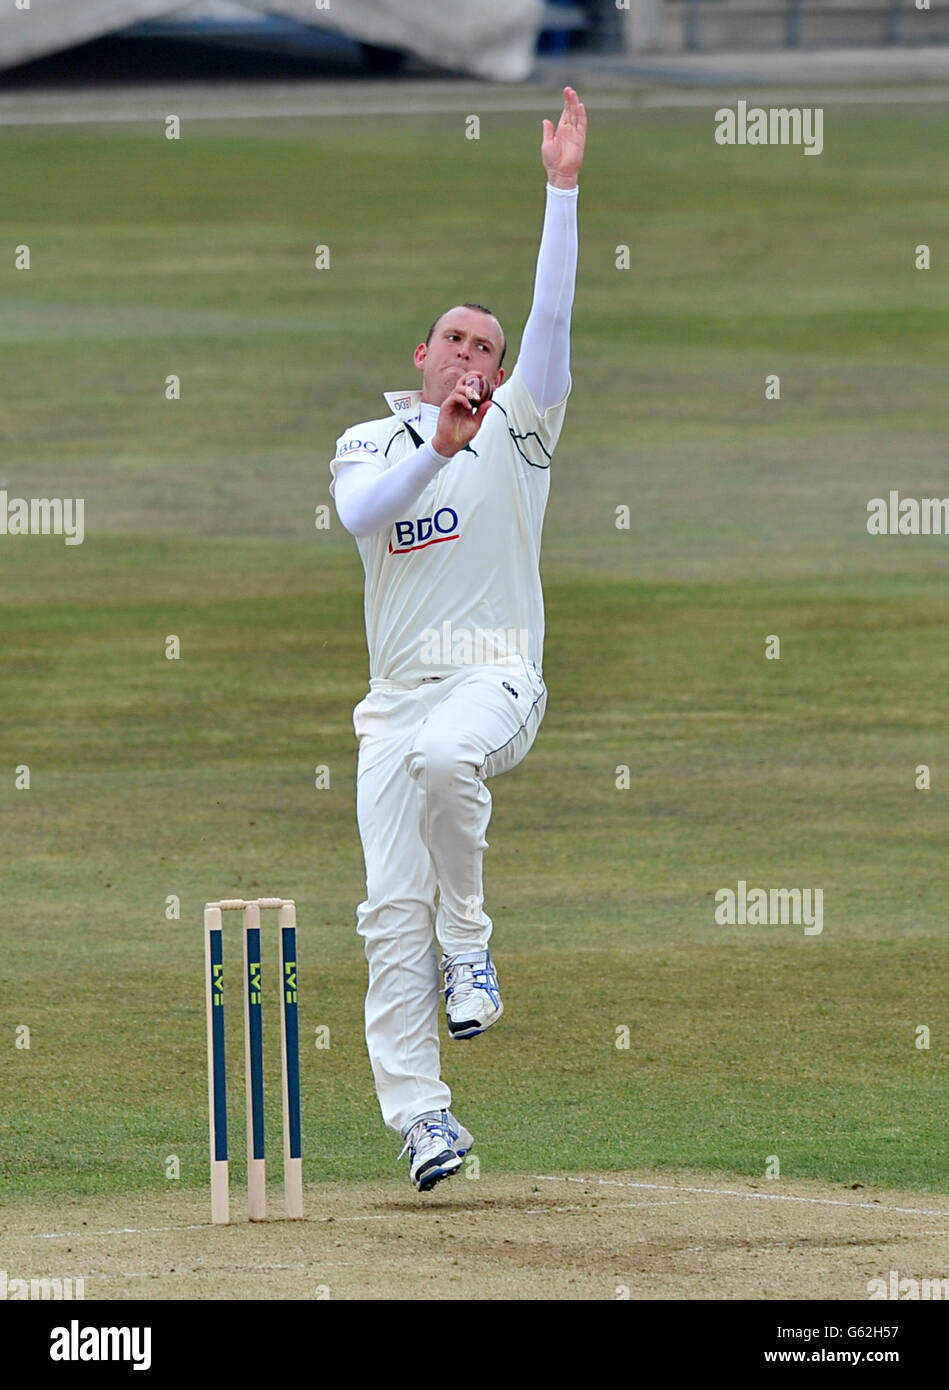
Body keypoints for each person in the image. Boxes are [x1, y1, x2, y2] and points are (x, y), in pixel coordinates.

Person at [329, 87, 587, 1191]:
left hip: (496, 677)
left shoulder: (523, 427)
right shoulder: (369, 441)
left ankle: (470, 941)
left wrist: (561, 192)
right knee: (389, 913)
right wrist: (435, 445)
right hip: (393, 701)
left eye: (488, 344)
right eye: (458, 342)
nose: (477, 355)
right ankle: (426, 1123)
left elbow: (554, 322)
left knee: (448, 762)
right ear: (423, 357)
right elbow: (360, 515)